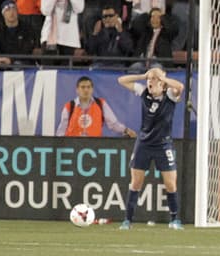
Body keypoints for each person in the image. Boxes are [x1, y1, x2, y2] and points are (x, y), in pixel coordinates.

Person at [117, 66, 184, 229]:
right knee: (136, 182)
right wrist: (144, 75)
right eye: (149, 80)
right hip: (144, 143)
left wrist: (161, 77)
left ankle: (174, 219)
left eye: (154, 79)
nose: (151, 82)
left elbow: (180, 87)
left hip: (163, 144)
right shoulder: (143, 92)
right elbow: (121, 80)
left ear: (162, 82)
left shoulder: (169, 95)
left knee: (170, 184)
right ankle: (128, 220)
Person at [56, 75, 136, 138]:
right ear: (77, 90)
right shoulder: (69, 106)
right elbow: (61, 130)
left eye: (88, 87)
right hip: (72, 147)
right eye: (83, 87)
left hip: (94, 147)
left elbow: (113, 124)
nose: (86, 90)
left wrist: (126, 130)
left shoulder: (101, 104)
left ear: (92, 89)